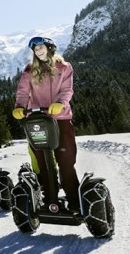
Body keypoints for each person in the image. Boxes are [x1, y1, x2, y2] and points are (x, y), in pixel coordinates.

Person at [12, 36, 80, 211]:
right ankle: (50, 198)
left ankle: (74, 200)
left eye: (41, 47)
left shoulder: (64, 68)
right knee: (43, 161)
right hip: (38, 120)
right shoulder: (29, 70)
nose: (38, 51)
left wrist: (61, 104)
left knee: (65, 161)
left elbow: (67, 90)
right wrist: (19, 106)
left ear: (49, 48)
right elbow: (23, 91)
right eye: (35, 49)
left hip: (61, 119)